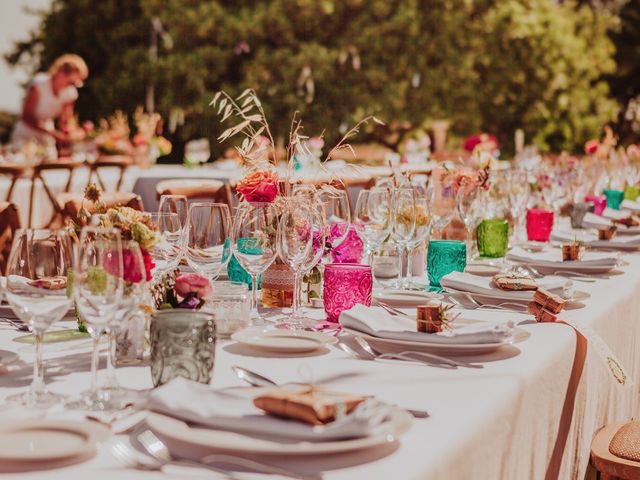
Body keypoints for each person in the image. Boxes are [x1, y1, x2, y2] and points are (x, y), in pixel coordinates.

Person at [11, 54, 88, 149]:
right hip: (25, 135)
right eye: (70, 82)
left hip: (46, 137)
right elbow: (26, 116)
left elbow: (66, 120)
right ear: (61, 72)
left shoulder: (70, 92)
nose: (71, 86)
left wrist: (74, 133)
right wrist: (52, 133)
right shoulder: (39, 84)